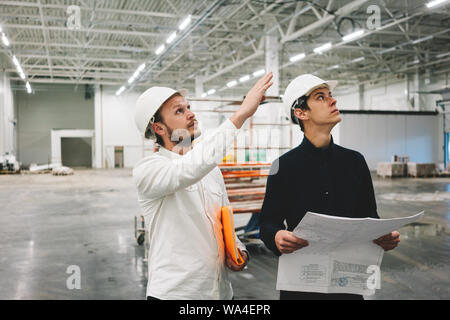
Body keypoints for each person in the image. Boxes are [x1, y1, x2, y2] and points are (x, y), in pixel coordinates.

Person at [133, 73, 273, 300]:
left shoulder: (211, 171)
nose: (191, 114)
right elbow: (188, 169)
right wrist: (240, 115)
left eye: (188, 107)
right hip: (176, 295)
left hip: (221, 293)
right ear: (158, 128)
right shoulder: (148, 170)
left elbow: (223, 220)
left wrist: (240, 252)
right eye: (179, 111)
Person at [260, 74, 400, 300]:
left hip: (347, 286)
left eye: (331, 96)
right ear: (301, 113)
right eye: (321, 97)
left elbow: (370, 215)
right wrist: (276, 236)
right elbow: (267, 222)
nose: (333, 101)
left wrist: (383, 236)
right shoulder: (283, 166)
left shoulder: (355, 162)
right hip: (302, 287)